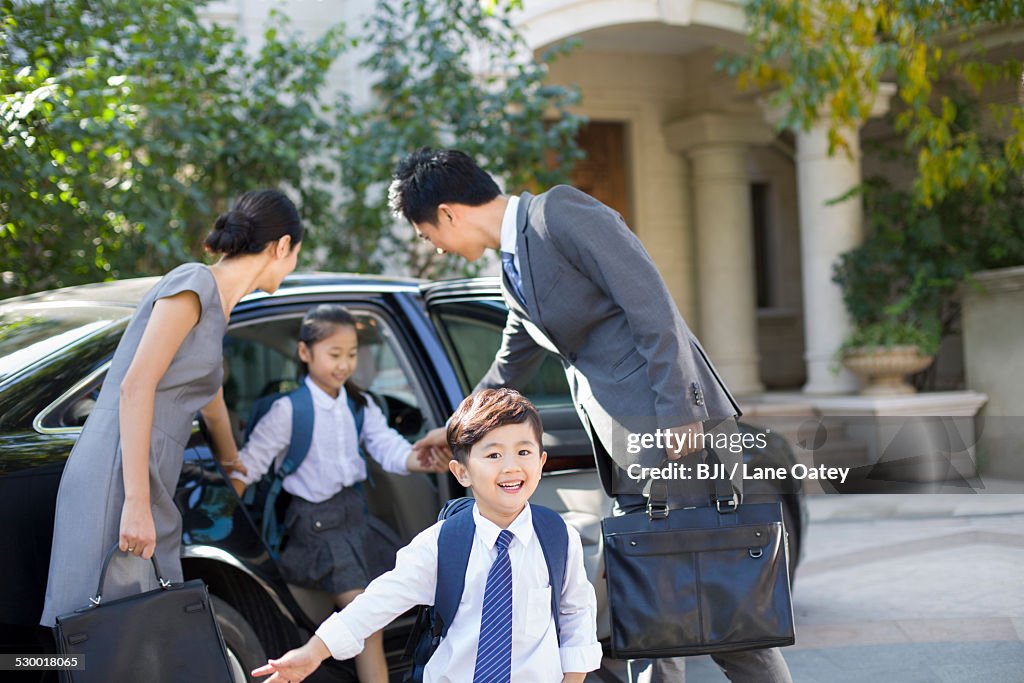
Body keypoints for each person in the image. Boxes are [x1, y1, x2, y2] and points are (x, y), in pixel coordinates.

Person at [394, 148, 793, 683]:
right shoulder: (514, 270)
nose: (436, 248)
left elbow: (650, 303)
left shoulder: (560, 213)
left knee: (725, 614)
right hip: (628, 450)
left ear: (447, 212)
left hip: (674, 435)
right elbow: (511, 361)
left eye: (426, 235)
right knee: (652, 614)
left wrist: (680, 413)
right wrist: (453, 427)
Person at [41, 189, 303, 628]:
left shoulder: (219, 307)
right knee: (101, 627)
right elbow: (135, 385)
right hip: (119, 468)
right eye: (296, 253)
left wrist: (232, 460)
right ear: (280, 246)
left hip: (149, 469)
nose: (295, 264)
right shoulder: (194, 280)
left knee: (139, 624)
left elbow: (210, 394)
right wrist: (137, 503)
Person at [251, 388, 602, 683]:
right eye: (493, 454)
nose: (511, 465)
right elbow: (377, 603)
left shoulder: (558, 537)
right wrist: (314, 651)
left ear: (541, 463)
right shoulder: (443, 543)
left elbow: (576, 614)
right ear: (461, 472)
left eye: (523, 452)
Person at [229, 303, 450, 683]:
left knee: (386, 609)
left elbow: (388, 447)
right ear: (305, 353)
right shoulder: (288, 410)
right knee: (366, 624)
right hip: (316, 527)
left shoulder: (359, 404)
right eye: (334, 354)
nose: (344, 365)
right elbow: (252, 462)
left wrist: (421, 462)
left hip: (355, 519)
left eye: (351, 355)